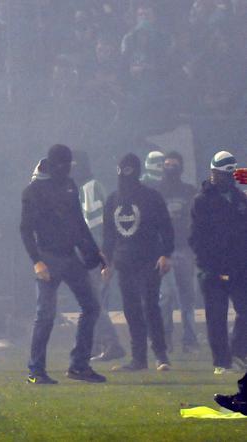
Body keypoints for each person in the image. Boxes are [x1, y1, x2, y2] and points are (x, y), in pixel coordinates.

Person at [20, 144, 107, 385]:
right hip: (48, 258)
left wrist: (94, 253)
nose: (67, 169)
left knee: (91, 306)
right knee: (45, 315)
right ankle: (36, 371)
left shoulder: (69, 186)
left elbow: (79, 224)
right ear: (54, 164)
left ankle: (79, 365)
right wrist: (36, 261)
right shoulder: (34, 191)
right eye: (64, 164)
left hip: (70, 257)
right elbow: (26, 230)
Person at [102, 153, 173, 372]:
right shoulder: (113, 199)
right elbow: (108, 235)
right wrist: (107, 263)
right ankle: (138, 359)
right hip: (124, 264)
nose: (126, 174)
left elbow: (166, 228)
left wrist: (165, 254)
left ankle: (161, 356)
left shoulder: (152, 197)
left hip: (148, 261)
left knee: (150, 307)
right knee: (131, 311)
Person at [189, 151, 247, 375]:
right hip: (212, 269)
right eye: (213, 173)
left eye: (220, 174)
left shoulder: (241, 200)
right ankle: (221, 362)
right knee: (216, 317)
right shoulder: (201, 201)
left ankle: (238, 353)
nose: (215, 178)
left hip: (240, 267)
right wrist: (209, 265)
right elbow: (196, 238)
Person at [70, 150, 126, 363]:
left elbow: (96, 226)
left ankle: (111, 343)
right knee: (93, 301)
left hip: (92, 255)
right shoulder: (84, 187)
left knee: (92, 302)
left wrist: (98, 256)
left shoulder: (90, 188)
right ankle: (94, 345)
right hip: (93, 253)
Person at [153, 151, 200, 353]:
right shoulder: (156, 191)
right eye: (167, 164)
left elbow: (196, 220)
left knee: (187, 297)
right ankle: (165, 339)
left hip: (185, 249)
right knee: (166, 296)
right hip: (164, 251)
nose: (170, 168)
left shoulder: (189, 191)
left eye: (174, 165)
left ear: (180, 167)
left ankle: (189, 341)